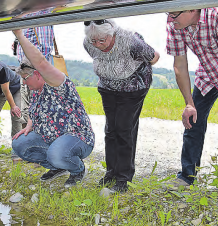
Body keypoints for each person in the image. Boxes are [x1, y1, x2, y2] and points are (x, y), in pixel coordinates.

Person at [11, 29, 95, 188]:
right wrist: (30, 124)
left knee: (56, 153)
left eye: (25, 78)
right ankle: (58, 167)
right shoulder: (37, 90)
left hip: (77, 137)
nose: (23, 83)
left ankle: (77, 169)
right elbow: (35, 110)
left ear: (37, 74)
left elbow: (41, 62)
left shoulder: (57, 83)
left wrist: (20, 35)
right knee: (19, 144)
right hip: (52, 138)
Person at [83, 19, 159, 193]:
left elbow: (154, 57)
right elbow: (98, 56)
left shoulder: (130, 41)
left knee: (124, 129)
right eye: (94, 41)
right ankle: (111, 172)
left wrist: (130, 66)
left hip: (133, 88)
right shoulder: (88, 43)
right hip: (107, 88)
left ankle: (124, 178)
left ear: (112, 33)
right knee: (111, 130)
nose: (98, 45)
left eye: (102, 40)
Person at [166, 8, 218, 187]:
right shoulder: (174, 24)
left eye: (174, 14)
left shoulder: (215, 16)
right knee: (193, 122)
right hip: (208, 74)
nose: (170, 18)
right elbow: (180, 64)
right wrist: (189, 103)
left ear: (191, 7)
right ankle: (187, 177)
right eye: (168, 13)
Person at [14, 9, 54, 127]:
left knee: (38, 112)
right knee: (26, 112)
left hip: (34, 73)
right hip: (26, 72)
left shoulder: (40, 13)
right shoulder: (26, 13)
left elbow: (45, 49)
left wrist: (35, 72)